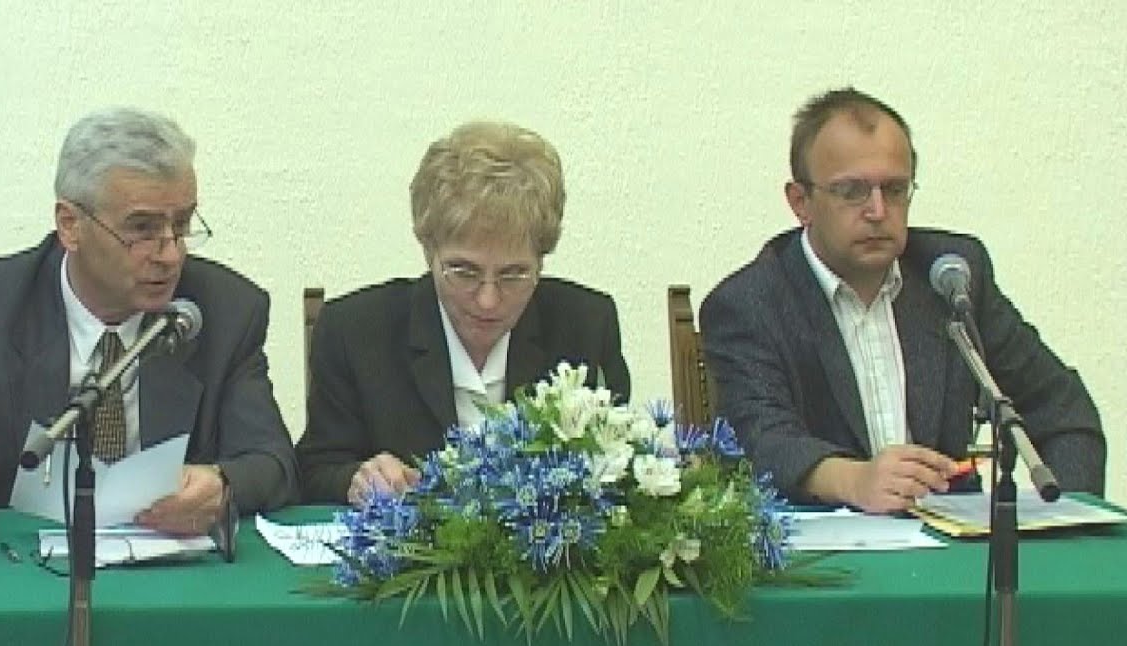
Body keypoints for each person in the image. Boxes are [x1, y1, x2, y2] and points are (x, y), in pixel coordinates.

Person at [0, 107, 298, 563]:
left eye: (181, 225)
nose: (170, 254)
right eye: (142, 230)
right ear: (70, 225)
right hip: (24, 572)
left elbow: (272, 462)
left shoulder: (226, 309)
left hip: (174, 579)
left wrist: (222, 485)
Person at [699, 87, 1104, 514]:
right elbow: (758, 440)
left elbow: (1062, 410)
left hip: (950, 541)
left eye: (894, 189)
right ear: (801, 203)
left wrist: (1063, 517)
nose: (877, 211)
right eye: (852, 191)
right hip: (826, 546)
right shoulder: (749, 303)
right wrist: (854, 480)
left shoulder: (950, 279)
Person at [297, 120, 630, 506]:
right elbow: (313, 470)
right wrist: (355, 478)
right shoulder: (356, 331)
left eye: (513, 275)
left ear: (541, 261)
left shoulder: (587, 326)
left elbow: (617, 464)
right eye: (464, 272)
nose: (487, 300)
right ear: (429, 251)